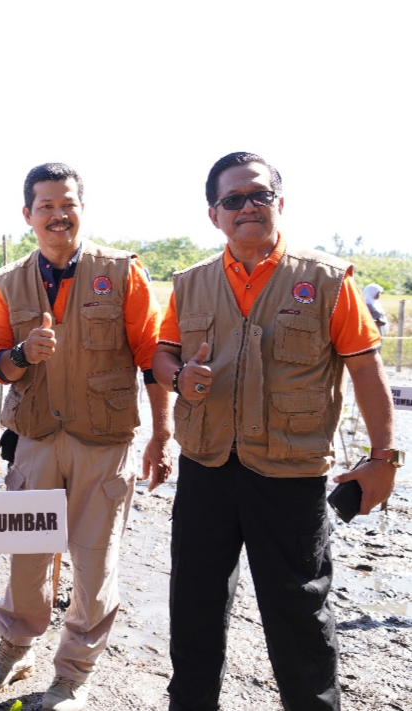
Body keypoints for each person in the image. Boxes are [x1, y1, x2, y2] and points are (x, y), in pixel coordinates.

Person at [152, 152, 400, 711]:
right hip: (206, 468)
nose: (248, 207)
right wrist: (178, 376)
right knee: (193, 609)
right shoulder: (190, 284)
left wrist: (383, 457)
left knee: (299, 615)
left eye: (259, 195)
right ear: (214, 214)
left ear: (279, 203)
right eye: (233, 199)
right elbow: (163, 354)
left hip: (290, 475)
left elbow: (366, 368)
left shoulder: (327, 280)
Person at [0, 162, 172, 711]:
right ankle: (17, 647)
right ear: (28, 214)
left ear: (82, 209)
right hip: (35, 438)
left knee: (94, 562)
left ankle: (73, 674)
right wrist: (22, 355)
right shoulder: (8, 281)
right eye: (46, 206)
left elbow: (150, 357)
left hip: (103, 441)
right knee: (26, 554)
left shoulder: (123, 271)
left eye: (68, 205)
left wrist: (161, 434)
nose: (58, 215)